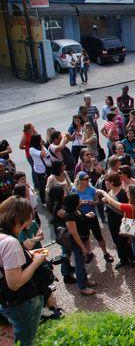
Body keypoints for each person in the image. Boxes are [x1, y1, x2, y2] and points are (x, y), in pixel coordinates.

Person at [0, 196, 47, 345]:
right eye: (29, 215)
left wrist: (29, 255)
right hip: (21, 302)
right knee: (26, 340)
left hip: (6, 302)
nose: (31, 219)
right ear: (21, 217)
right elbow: (15, 282)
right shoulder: (10, 243)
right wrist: (36, 261)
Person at [101, 172, 135, 269]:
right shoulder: (110, 192)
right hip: (112, 221)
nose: (105, 184)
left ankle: (131, 257)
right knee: (116, 240)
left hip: (121, 221)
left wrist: (107, 202)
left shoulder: (122, 193)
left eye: (106, 182)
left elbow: (123, 209)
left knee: (124, 240)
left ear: (112, 182)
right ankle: (123, 259)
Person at [28, 134, 50, 206]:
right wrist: (42, 145)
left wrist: (42, 146)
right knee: (42, 186)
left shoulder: (40, 147)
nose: (41, 140)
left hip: (46, 167)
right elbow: (42, 154)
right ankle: (43, 201)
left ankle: (49, 198)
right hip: (39, 170)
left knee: (48, 184)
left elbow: (47, 154)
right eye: (40, 139)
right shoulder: (32, 149)